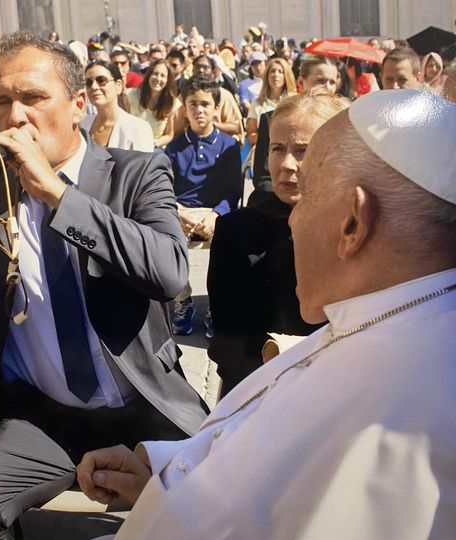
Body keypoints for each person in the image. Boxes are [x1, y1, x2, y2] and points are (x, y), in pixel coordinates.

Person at [77, 89, 456, 539]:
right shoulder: (383, 319)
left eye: (311, 195)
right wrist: (159, 474)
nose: (292, 219)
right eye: (278, 149)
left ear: (353, 223)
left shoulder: (401, 404)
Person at [0, 31, 208, 538]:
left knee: (220, 501)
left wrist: (59, 195)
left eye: (33, 98)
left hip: (144, 403)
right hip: (44, 416)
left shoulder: (135, 173)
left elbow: (170, 272)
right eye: (2, 102)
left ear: (79, 104)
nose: (15, 116)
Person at [208, 89, 349, 395]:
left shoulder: (358, 230)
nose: (286, 163)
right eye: (277, 148)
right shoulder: (236, 229)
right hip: (255, 396)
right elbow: (227, 341)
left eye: (302, 150)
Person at [165, 76, 242, 336]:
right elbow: (164, 189)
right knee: (165, 236)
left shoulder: (229, 146)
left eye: (205, 104)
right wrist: (178, 212)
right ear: (185, 109)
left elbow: (234, 190)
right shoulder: (174, 147)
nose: (199, 110)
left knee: (228, 238)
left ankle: (217, 304)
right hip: (182, 210)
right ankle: (183, 300)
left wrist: (215, 214)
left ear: (216, 108)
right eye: (193, 104)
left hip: (215, 211)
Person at [249, 55, 338, 206]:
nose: (327, 87)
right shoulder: (273, 120)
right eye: (320, 81)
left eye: (332, 82)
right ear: (301, 82)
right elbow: (263, 178)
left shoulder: (344, 125)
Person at [81, 60, 153, 151]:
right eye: (88, 82)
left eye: (101, 80)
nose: (94, 87)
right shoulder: (82, 124)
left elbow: (144, 160)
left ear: (118, 85)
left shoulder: (139, 128)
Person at [125, 58, 181, 147]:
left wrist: (155, 144)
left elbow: (169, 135)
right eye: (155, 74)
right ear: (149, 76)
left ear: (168, 80)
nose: (158, 78)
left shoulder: (172, 104)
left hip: (154, 148)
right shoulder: (131, 95)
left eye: (162, 76)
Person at [246, 57, 296, 145]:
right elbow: (251, 135)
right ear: (267, 76)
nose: (276, 75)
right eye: (272, 71)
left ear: (286, 76)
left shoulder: (295, 102)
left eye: (280, 72)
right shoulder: (257, 103)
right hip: (264, 148)